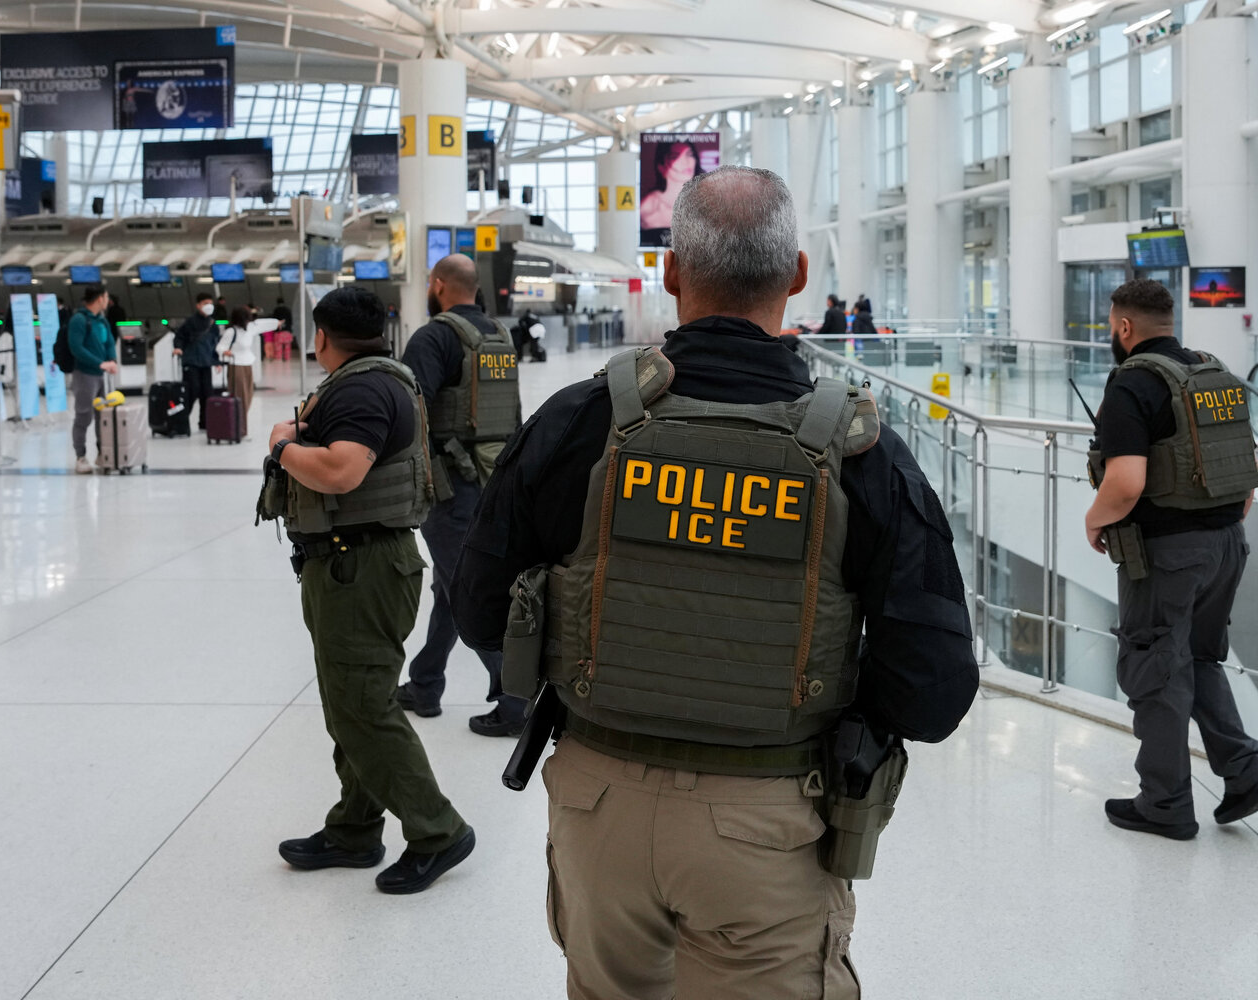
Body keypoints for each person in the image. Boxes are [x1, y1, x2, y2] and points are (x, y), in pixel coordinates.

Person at [453, 166, 979, 998]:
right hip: (772, 820)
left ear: (669, 271)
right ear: (799, 275)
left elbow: (478, 606)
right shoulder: (861, 451)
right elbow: (935, 689)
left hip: (597, 806)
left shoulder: (581, 421)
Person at [261, 285, 475, 895]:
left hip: (363, 568)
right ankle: (354, 829)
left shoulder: (360, 387)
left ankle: (438, 830)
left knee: (363, 707)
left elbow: (340, 470)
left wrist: (282, 443)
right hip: (351, 564)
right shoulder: (379, 378)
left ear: (321, 336)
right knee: (351, 702)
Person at [1084, 278, 1258, 841]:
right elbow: (1244, 473)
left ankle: (1164, 803)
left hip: (1166, 554)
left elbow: (1125, 482)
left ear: (1124, 327)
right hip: (1226, 543)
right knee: (1197, 659)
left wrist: (1094, 520)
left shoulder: (1132, 385)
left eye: (1111, 326)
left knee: (1155, 670)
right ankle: (1246, 773)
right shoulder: (1211, 373)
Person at [395, 254, 525, 736]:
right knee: (451, 587)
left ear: (439, 285)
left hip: (449, 486)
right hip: (493, 477)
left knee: (465, 590)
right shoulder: (499, 336)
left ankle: (514, 701)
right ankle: (425, 683)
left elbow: (411, 411)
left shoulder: (434, 337)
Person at [67, 284, 117, 474]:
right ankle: (81, 456)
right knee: (84, 415)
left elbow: (109, 341)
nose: (107, 301)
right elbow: (77, 348)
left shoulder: (101, 320)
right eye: (106, 297)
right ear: (99, 299)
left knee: (103, 416)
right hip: (85, 375)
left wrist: (112, 360)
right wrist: (99, 363)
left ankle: (103, 453)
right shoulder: (79, 320)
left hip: (102, 376)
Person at [173, 293, 219, 432]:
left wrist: (216, 361)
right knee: (191, 392)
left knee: (207, 393)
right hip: (191, 362)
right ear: (198, 305)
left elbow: (214, 344)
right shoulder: (190, 322)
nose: (208, 306)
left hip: (205, 362)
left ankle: (204, 423)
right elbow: (179, 336)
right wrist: (178, 348)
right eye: (205, 303)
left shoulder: (212, 324)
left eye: (210, 303)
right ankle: (181, 421)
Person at [640, 141, 702, 239]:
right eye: (675, 157)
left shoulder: (703, 201)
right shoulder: (650, 205)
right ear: (661, 167)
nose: (685, 162)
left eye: (689, 154)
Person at [216, 305, 256, 435]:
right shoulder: (231, 332)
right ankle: (240, 429)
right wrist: (225, 352)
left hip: (247, 364)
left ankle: (239, 427)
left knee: (248, 396)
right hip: (236, 365)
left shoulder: (248, 329)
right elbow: (220, 347)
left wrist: (276, 323)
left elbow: (262, 324)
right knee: (240, 398)